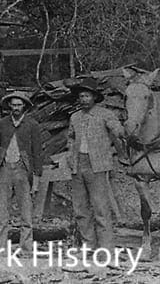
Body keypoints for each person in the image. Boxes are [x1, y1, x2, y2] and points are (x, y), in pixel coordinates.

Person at [66, 77, 125, 255]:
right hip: (78, 165)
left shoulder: (105, 114)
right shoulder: (75, 117)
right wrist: (70, 156)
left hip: (98, 166)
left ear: (94, 97)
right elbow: (70, 138)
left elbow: (118, 131)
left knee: (100, 208)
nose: (84, 99)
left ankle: (106, 248)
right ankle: (88, 245)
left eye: (87, 96)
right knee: (81, 209)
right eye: (81, 96)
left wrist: (123, 130)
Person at [0, 91, 43, 253]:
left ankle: (27, 249)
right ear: (9, 106)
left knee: (26, 212)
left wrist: (36, 179)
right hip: (5, 169)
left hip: (23, 170)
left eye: (19, 105)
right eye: (13, 105)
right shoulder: (2, 124)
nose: (16, 108)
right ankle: (0, 248)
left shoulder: (32, 125)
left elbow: (37, 153)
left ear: (24, 106)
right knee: (1, 212)